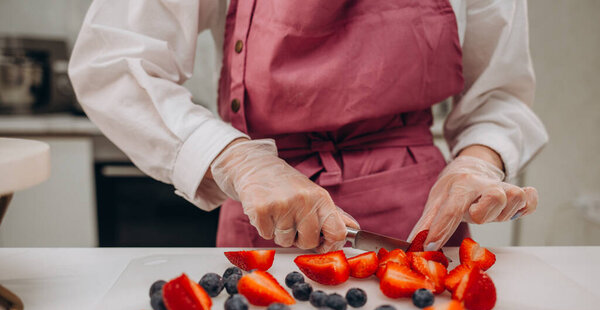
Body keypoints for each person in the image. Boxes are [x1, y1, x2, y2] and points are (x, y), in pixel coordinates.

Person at [69, 0, 548, 252]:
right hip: (269, 215)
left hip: (419, 217)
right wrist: (237, 161)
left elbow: (499, 93)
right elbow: (113, 60)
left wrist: (479, 161)